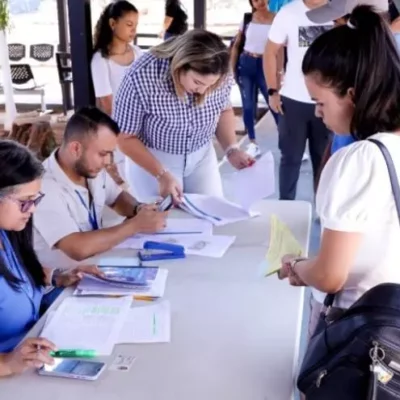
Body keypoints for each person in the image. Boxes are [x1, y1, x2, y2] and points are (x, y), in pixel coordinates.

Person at [279, 5, 400, 339]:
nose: (318, 114)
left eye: (320, 102)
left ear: (353, 96)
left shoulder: (357, 160)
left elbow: (331, 276)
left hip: (357, 331)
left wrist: (299, 266)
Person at [113, 30, 254, 204]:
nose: (203, 91)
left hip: (202, 155)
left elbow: (223, 110)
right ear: (180, 66)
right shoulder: (140, 75)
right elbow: (124, 137)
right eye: (197, 82)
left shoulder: (220, 71)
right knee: (163, 223)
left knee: (212, 214)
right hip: (154, 158)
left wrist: (231, 149)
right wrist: (161, 174)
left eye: (210, 85)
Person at [0, 140, 103, 376]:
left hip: (34, 355)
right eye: (24, 202)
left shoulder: (9, 234)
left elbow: (15, 283)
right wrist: (6, 362)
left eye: (35, 200)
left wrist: (57, 278)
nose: (32, 209)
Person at [33, 107, 167, 268]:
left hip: (94, 268)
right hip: (61, 284)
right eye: (103, 154)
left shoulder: (88, 168)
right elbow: (78, 249)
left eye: (111, 153)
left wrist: (139, 209)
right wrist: (135, 225)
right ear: (75, 148)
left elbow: (117, 198)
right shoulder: (42, 187)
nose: (108, 161)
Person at [264, 0, 333, 201]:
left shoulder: (339, 12)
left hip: (328, 101)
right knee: (290, 159)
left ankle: (323, 210)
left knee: (324, 160)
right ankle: (286, 207)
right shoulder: (288, 13)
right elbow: (270, 52)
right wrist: (272, 90)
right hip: (293, 100)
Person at [91, 1, 143, 185]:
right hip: (120, 128)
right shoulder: (101, 60)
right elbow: (107, 103)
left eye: (136, 25)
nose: (133, 30)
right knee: (128, 179)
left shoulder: (139, 54)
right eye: (129, 25)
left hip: (143, 126)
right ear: (113, 24)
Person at [230, 0, 280, 157]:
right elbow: (237, 45)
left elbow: (281, 46)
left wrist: (280, 70)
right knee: (248, 105)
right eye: (256, 0)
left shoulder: (277, 19)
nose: (261, 2)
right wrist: (231, 70)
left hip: (266, 65)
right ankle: (252, 142)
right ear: (252, 2)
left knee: (275, 104)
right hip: (246, 64)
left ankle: (288, 143)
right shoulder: (247, 19)